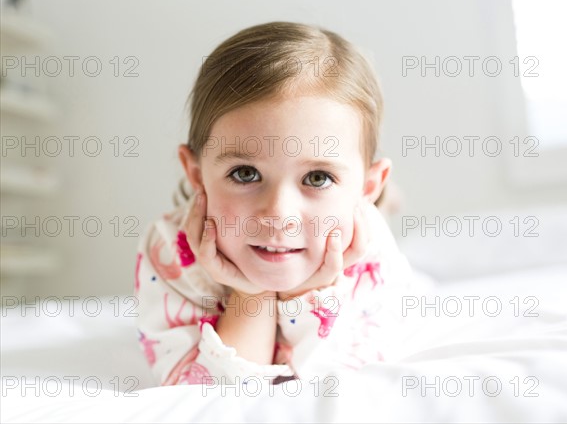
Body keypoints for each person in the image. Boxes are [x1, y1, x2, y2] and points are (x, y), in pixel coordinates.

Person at [135, 21, 417, 387]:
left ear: (365, 186)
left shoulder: (368, 251)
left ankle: (386, 198)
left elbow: (342, 381)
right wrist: (251, 295)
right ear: (196, 173)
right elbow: (207, 397)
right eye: (246, 174)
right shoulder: (169, 252)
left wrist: (306, 294)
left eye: (317, 177)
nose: (279, 215)